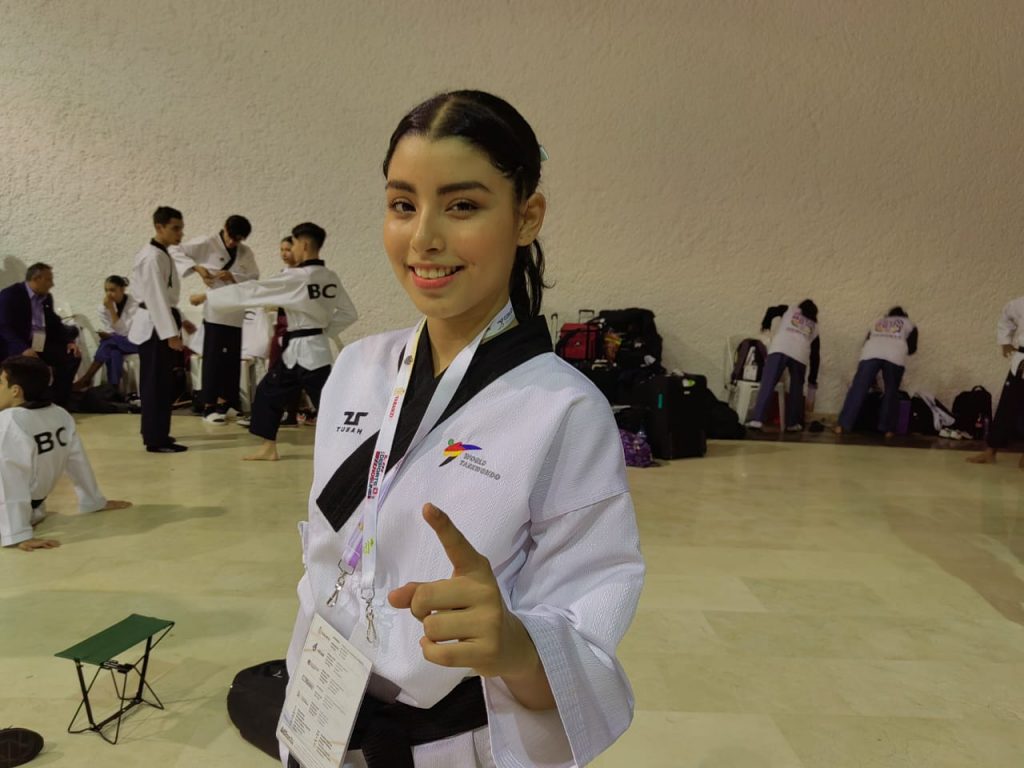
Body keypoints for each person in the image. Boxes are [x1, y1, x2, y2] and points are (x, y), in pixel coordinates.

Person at [271, 91, 644, 768]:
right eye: (402, 204)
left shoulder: (563, 410)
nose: (424, 238)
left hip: (448, 744)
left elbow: (582, 643)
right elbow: (327, 556)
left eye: (462, 205)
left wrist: (515, 645)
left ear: (526, 217)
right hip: (320, 712)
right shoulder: (357, 368)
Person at [190, 222, 357, 461]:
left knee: (327, 402)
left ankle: (346, 451)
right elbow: (349, 313)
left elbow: (255, 290)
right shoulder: (330, 277)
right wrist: (324, 331)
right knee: (270, 393)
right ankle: (269, 447)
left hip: (305, 349)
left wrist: (208, 296)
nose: (293, 249)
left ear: (304, 245)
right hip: (311, 349)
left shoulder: (296, 277)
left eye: (294, 244)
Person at [0, 355, 131, 551]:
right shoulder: (59, 414)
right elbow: (77, 461)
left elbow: (8, 478)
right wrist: (94, 500)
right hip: (32, 508)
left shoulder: (9, 422)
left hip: (11, 515)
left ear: (16, 391)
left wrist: (18, 534)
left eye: (0, 383)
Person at [172, 215, 259, 423]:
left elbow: (254, 277)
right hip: (215, 312)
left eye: (238, 239)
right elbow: (175, 250)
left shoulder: (245, 252)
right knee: (213, 361)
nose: (233, 242)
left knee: (231, 361)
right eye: (231, 237)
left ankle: (226, 403)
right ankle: (208, 406)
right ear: (224, 228)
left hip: (235, 312)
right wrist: (197, 268)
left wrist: (233, 276)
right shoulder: (206, 243)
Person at [128, 206, 191, 453]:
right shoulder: (152, 257)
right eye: (175, 228)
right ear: (159, 227)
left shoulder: (161, 253)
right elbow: (155, 297)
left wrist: (180, 320)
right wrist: (170, 334)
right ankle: (155, 439)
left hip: (161, 320)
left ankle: (156, 432)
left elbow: (165, 296)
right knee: (155, 384)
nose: (180, 233)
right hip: (155, 325)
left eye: (181, 228)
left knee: (162, 382)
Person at [0, 263, 81, 408]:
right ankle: (25, 402)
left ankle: (58, 402)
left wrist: (69, 341)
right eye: (48, 280)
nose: (52, 284)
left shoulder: (46, 298)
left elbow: (54, 323)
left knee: (71, 356)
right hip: (15, 345)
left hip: (39, 343)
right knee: (26, 363)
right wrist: (23, 348)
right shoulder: (10, 295)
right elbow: (4, 326)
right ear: (36, 279)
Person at [835, 307, 918, 438]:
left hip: (871, 353)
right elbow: (912, 348)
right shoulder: (909, 324)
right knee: (891, 391)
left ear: (888, 315)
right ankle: (888, 430)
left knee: (858, 389)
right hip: (895, 355)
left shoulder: (878, 321)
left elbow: (867, 341)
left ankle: (842, 425)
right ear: (904, 316)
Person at [747, 299, 821, 431]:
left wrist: (766, 325)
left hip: (780, 347)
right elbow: (815, 356)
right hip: (800, 354)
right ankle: (792, 424)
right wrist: (812, 379)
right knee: (796, 389)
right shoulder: (814, 326)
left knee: (768, 383)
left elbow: (771, 310)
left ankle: (757, 420)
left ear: (800, 307)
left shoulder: (789, 309)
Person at [968, 296, 1024, 467]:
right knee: (1007, 405)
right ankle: (991, 451)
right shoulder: (1020, 303)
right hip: (1021, 361)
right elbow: (1006, 317)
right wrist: (1005, 342)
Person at [73, 275, 140, 392]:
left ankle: (87, 378)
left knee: (108, 343)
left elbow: (124, 331)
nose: (109, 294)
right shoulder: (102, 308)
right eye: (106, 290)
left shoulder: (135, 305)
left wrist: (112, 311)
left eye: (112, 290)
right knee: (113, 351)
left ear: (122, 289)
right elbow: (111, 330)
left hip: (136, 343)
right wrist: (109, 334)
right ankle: (114, 389)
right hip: (117, 343)